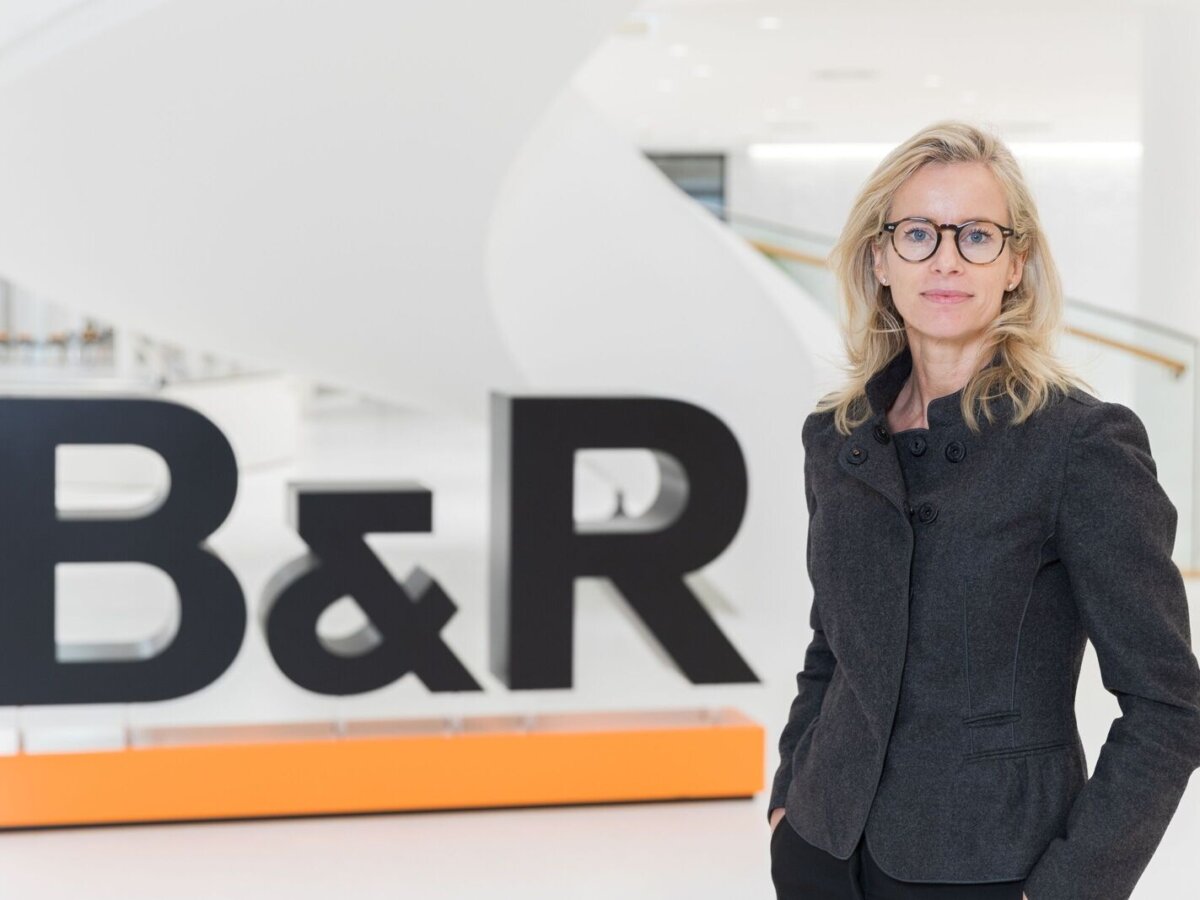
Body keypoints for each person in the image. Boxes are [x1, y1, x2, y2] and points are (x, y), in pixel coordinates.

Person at [767, 120, 1200, 900]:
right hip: (821, 849)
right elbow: (832, 643)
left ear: (1015, 264)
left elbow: (1169, 705)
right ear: (879, 259)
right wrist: (788, 797)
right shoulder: (838, 436)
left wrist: (1072, 888)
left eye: (975, 235)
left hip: (990, 866)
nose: (945, 259)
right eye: (917, 234)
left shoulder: (1080, 444)